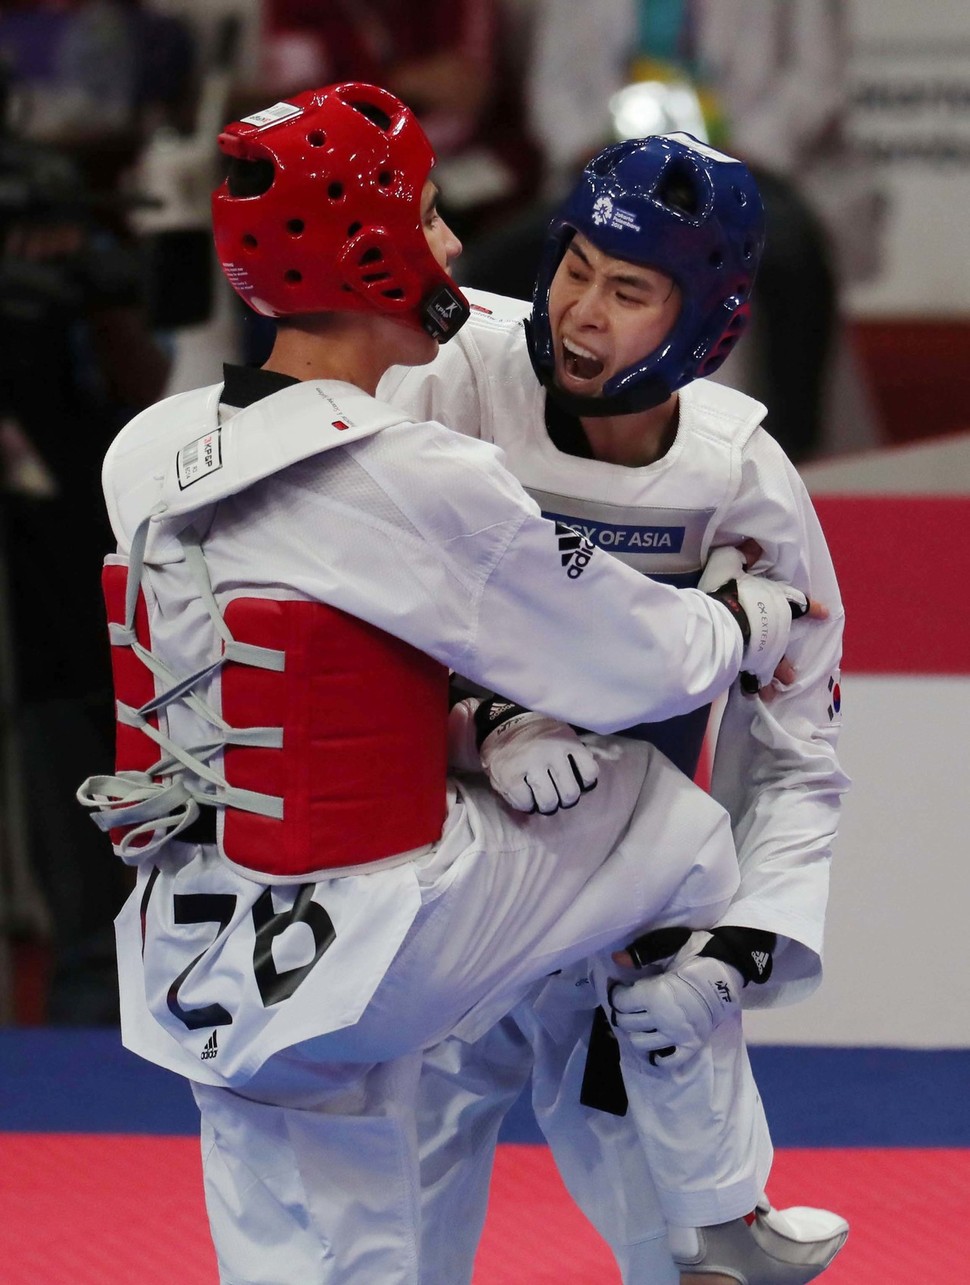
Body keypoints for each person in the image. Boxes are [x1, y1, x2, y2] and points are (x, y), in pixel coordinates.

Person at [75, 83, 811, 1282]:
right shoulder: (419, 480)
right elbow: (641, 664)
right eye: (425, 216)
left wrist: (478, 725)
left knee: (308, 1241)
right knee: (669, 820)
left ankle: (701, 1199)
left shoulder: (146, 445)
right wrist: (736, 615)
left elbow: (338, 649)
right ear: (365, 250)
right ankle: (719, 1206)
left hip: (192, 941)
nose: (456, 249)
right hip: (365, 937)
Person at [378, 131, 849, 1281]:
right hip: (439, 881)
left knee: (682, 1236)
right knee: (390, 1214)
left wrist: (731, 956)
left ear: (705, 321)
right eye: (575, 267)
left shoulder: (742, 482)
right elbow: (359, 621)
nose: (581, 311)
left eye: (628, 290)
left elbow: (799, 751)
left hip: (612, 907)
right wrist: (481, 727)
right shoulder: (450, 383)